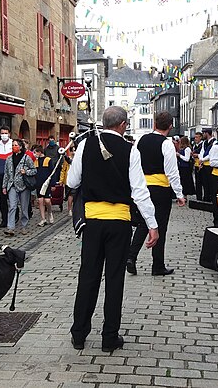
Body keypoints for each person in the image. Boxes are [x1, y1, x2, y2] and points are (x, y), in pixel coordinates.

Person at [68, 106, 158, 352]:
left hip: (93, 221)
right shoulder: (130, 150)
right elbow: (139, 192)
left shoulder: (86, 145)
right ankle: (109, 337)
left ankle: (79, 333)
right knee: (114, 279)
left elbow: (71, 181)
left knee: (88, 276)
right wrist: (152, 224)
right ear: (123, 125)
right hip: (119, 222)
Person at [126, 111, 186, 276]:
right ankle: (157, 265)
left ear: (154, 124)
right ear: (170, 126)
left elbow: (134, 164)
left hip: (142, 187)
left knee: (144, 223)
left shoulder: (140, 140)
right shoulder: (166, 144)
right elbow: (172, 172)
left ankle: (131, 256)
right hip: (160, 189)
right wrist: (179, 194)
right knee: (160, 226)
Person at [3, 139, 37, 236]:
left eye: (16, 145)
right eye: (13, 145)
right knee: (12, 206)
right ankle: (11, 228)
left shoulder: (26, 158)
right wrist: (4, 186)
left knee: (24, 207)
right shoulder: (9, 159)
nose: (14, 147)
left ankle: (24, 226)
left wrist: (26, 172)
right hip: (12, 185)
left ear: (21, 147)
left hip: (24, 186)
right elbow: (6, 173)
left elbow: (34, 170)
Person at [32, 144, 55, 226]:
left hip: (47, 184)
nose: (34, 154)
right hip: (39, 184)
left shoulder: (48, 160)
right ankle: (43, 219)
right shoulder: (35, 161)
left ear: (40, 152)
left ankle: (49, 212)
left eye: (35, 152)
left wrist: (53, 184)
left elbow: (52, 172)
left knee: (47, 200)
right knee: (40, 201)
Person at [198, 129, 216, 202]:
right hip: (204, 165)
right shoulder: (204, 142)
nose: (203, 135)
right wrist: (201, 159)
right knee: (204, 182)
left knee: (210, 182)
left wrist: (202, 159)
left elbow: (211, 154)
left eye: (203, 133)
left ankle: (210, 197)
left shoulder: (214, 142)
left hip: (210, 165)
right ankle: (206, 197)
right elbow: (202, 151)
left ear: (207, 133)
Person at [191, 132, 204, 200]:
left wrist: (197, 155)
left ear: (200, 137)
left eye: (197, 137)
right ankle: (198, 196)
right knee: (197, 181)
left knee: (202, 181)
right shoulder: (194, 145)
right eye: (195, 137)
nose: (195, 139)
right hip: (196, 164)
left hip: (201, 164)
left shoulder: (202, 144)